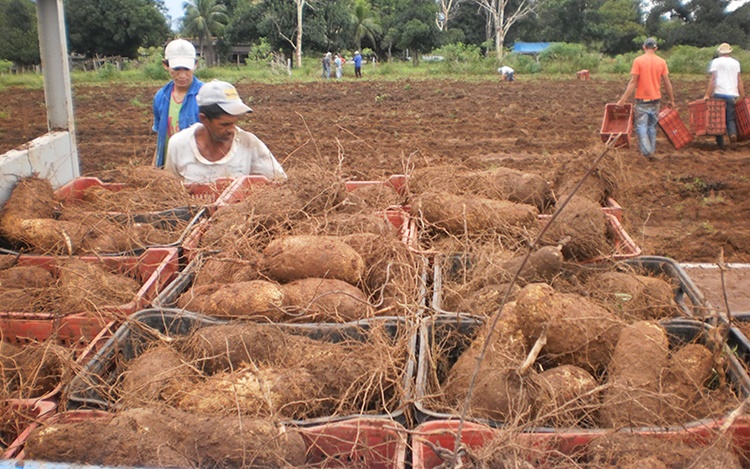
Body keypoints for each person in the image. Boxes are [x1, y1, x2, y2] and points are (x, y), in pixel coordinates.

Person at [165, 80, 287, 183]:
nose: (231, 130)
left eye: (234, 123)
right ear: (204, 119)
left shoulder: (249, 144)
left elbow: (279, 181)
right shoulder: (179, 144)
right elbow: (171, 189)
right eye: (224, 124)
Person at [616, 37, 675, 161]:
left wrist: (623, 100)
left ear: (644, 47)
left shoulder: (638, 61)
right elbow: (667, 82)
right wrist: (672, 99)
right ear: (655, 48)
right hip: (656, 100)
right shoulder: (661, 62)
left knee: (641, 126)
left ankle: (647, 152)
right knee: (651, 127)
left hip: (642, 100)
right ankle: (651, 151)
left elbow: (633, 82)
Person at [152, 39, 203, 169]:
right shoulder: (161, 97)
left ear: (195, 64)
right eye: (176, 69)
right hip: (169, 167)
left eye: (186, 69)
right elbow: (161, 137)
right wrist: (155, 167)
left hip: (197, 168)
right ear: (165, 65)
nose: (182, 75)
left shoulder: (205, 95)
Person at [704, 42, 745, 148]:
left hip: (719, 93)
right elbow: (739, 79)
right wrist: (742, 95)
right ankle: (732, 133)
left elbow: (713, 79)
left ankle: (720, 143)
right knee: (730, 117)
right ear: (729, 52)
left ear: (720, 52)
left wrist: (707, 94)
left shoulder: (716, 62)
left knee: (718, 118)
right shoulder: (736, 63)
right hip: (731, 94)